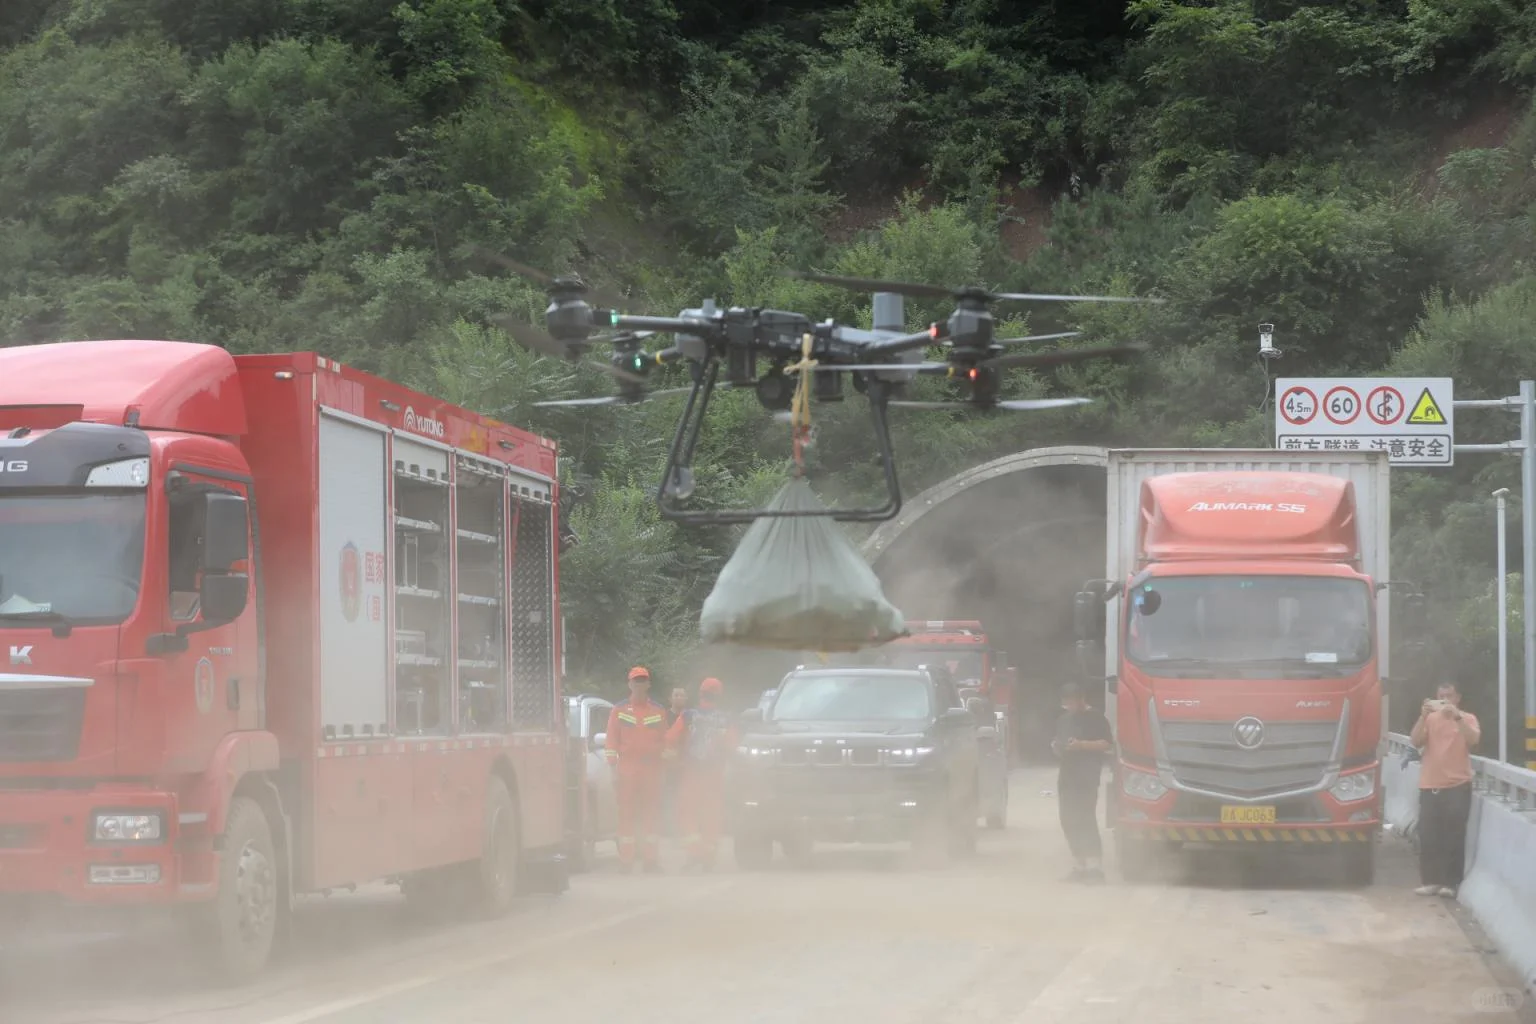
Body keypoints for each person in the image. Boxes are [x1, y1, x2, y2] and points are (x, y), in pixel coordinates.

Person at [1410, 682, 1480, 897]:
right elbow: (1415, 741)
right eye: (1441, 696)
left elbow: (1474, 740)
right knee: (1429, 835)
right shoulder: (1430, 719)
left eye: (1449, 696)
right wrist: (1422, 716)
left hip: (1457, 785)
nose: (1446, 700)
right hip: (1430, 784)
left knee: (1454, 836)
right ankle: (1430, 881)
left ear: (1457, 697)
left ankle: (1451, 883)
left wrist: (1456, 717)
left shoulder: (1467, 718)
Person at [666, 677, 738, 871]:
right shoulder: (726, 719)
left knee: (686, 812)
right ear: (719, 696)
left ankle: (694, 852)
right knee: (712, 814)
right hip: (715, 774)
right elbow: (732, 747)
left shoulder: (689, 715)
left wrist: (675, 762)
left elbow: (670, 738)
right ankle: (709, 855)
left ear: (700, 694)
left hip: (691, 772)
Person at [604, 666, 670, 873]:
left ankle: (650, 861)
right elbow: (611, 740)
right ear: (629, 684)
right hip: (627, 768)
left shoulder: (658, 711)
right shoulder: (619, 710)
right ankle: (627, 861)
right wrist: (613, 768)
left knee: (651, 814)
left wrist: (664, 767)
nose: (639, 684)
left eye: (643, 680)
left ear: (648, 684)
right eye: (636, 681)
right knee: (627, 814)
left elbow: (665, 741)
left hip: (651, 768)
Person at [1052, 682, 1114, 883]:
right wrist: (1056, 746)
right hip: (1067, 776)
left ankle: (1095, 868)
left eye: (1072, 702)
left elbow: (1106, 744)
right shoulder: (1063, 719)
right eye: (1065, 703)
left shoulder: (1096, 718)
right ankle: (1079, 865)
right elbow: (1058, 741)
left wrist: (1081, 745)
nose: (1069, 706)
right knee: (1067, 820)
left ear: (1081, 699)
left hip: (1086, 776)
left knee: (1085, 818)